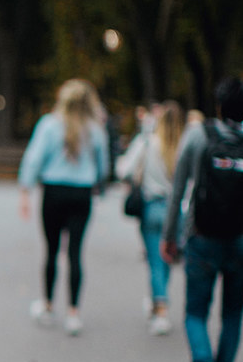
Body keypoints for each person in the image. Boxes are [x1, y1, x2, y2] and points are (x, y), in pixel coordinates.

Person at [162, 76, 243, 362]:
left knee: (195, 311)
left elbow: (178, 189)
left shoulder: (198, 136)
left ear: (220, 105)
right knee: (233, 314)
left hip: (201, 238)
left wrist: (169, 236)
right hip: (241, 240)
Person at [19, 78, 110, 335]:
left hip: (54, 192)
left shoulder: (49, 125)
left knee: (51, 250)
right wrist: (98, 185)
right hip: (82, 194)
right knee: (75, 253)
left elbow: (34, 159)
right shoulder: (95, 130)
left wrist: (25, 190)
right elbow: (103, 167)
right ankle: (74, 313)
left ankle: (48, 305)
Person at [117, 99, 185, 334]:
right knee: (166, 259)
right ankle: (159, 299)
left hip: (153, 207)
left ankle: (161, 308)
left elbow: (124, 169)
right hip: (178, 211)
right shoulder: (184, 146)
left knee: (155, 260)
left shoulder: (148, 143)